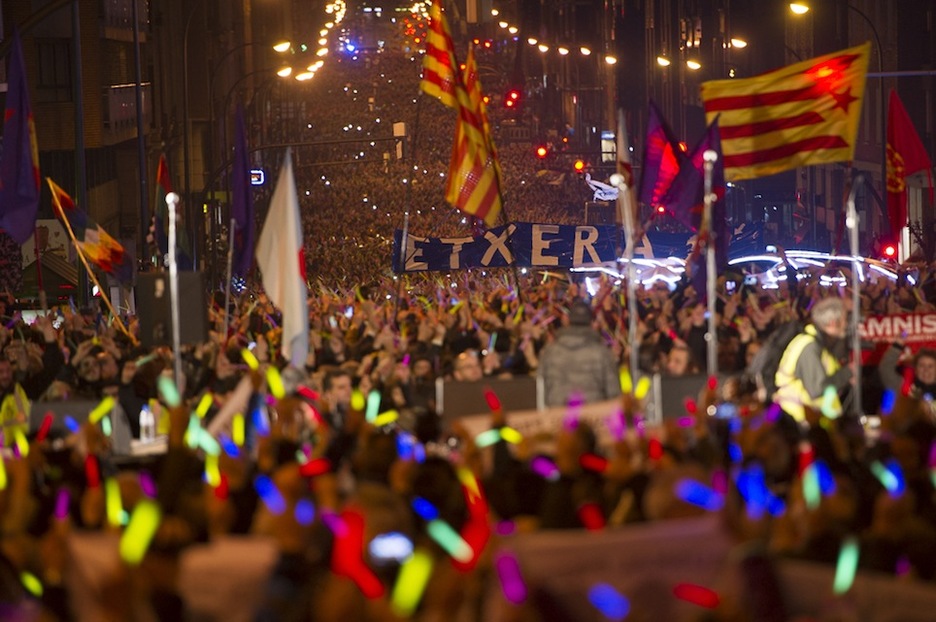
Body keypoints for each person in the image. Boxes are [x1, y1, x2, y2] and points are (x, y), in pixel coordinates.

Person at [773, 296, 851, 425]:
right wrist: (848, 373)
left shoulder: (820, 345)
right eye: (843, 320)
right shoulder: (809, 347)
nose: (846, 325)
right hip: (801, 420)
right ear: (832, 323)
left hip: (815, 419)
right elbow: (817, 389)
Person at [538, 299, 621, 407]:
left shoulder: (550, 351)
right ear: (591, 322)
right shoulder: (602, 353)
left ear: (568, 321)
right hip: (593, 417)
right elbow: (613, 393)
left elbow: (541, 388)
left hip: (558, 417)